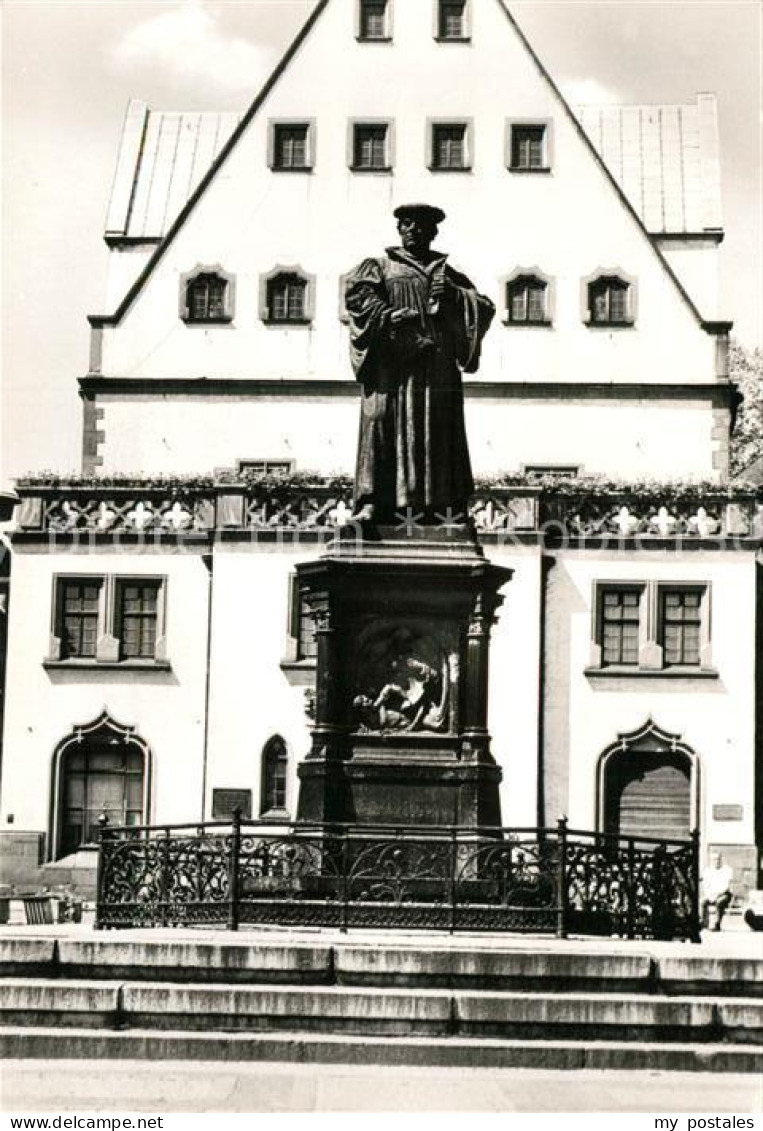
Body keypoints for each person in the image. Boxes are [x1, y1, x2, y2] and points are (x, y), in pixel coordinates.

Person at [344, 204, 495, 523]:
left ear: (433, 232)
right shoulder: (379, 267)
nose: (413, 229)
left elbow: (484, 308)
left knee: (438, 432)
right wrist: (387, 316)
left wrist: (455, 295)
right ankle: (372, 501)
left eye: (421, 225)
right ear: (399, 228)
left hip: (437, 370)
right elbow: (358, 300)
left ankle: (445, 507)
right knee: (381, 422)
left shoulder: (449, 274)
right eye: (407, 223)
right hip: (392, 366)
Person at [701, 850, 734, 931]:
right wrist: (710, 895)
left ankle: (717, 924)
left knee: (719, 902)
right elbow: (706, 886)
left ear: (721, 859)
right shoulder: (707, 871)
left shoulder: (726, 870)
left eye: (718, 859)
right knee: (702, 901)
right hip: (711, 894)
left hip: (724, 894)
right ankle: (704, 923)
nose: (716, 861)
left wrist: (717, 895)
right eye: (714, 859)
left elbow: (726, 886)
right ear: (711, 861)